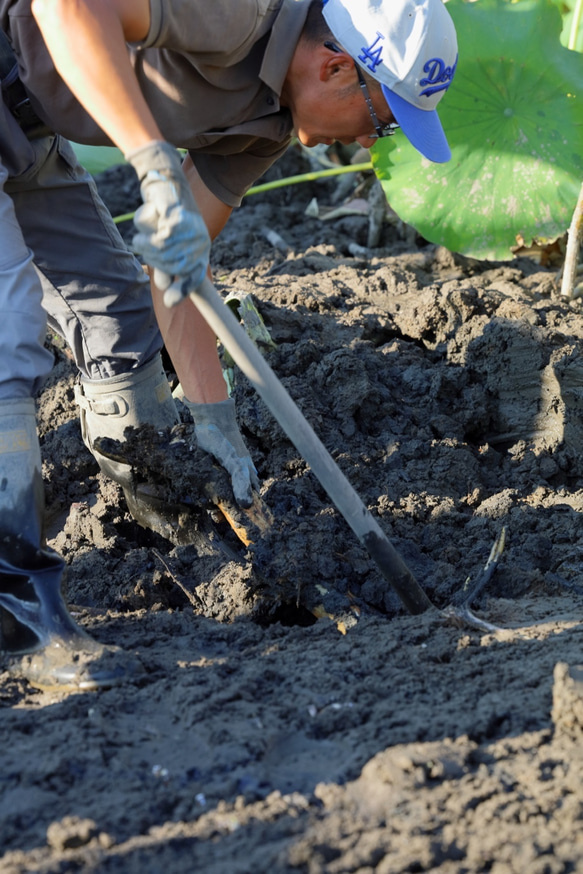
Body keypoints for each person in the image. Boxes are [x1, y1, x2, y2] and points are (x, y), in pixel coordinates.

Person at [0, 0, 458, 690]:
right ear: (337, 68)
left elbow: (178, 275)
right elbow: (68, 6)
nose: (370, 145)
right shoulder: (239, 11)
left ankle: (164, 524)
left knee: (120, 323)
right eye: (382, 121)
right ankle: (18, 626)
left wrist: (215, 425)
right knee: (8, 337)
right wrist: (153, 166)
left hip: (23, 122)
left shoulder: (267, 126)